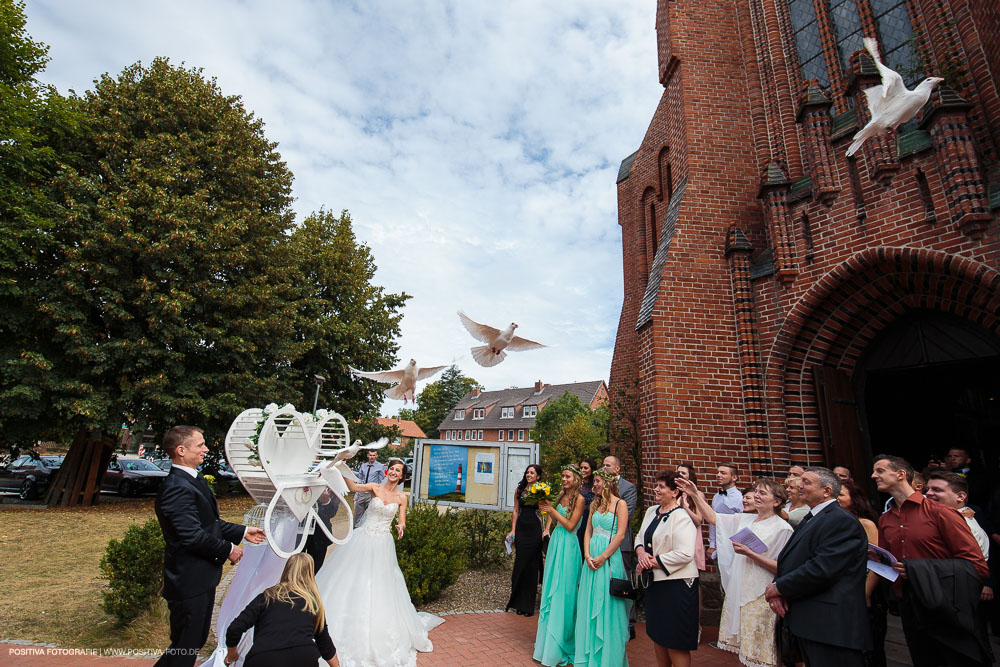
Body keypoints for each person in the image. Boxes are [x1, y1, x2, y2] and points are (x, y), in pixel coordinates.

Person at [155, 426, 266, 667]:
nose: (206, 449)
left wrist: (244, 532)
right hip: (188, 580)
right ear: (181, 450)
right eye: (200, 445)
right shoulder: (176, 487)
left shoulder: (191, 479)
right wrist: (229, 549)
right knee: (184, 647)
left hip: (199, 579)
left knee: (190, 644)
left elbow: (209, 524)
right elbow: (192, 536)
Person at [314, 458, 442, 666]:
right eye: (391, 469)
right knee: (352, 578)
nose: (393, 472)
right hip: (363, 539)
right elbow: (354, 486)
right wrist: (341, 468)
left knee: (380, 583)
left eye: (397, 470)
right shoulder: (374, 487)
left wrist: (401, 527)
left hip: (383, 543)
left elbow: (402, 520)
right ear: (387, 471)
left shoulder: (402, 497)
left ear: (402, 476)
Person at [873, 454, 990, 667]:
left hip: (947, 604)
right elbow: (886, 562)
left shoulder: (941, 513)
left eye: (880, 471)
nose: (873, 476)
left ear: (900, 474)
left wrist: (918, 569)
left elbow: (976, 566)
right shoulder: (886, 519)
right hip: (910, 606)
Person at [679, 476, 793, 667]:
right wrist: (694, 495)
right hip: (740, 590)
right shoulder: (745, 519)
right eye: (756, 492)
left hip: (761, 593)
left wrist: (750, 553)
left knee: (763, 652)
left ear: (777, 501)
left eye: (762, 493)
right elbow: (714, 518)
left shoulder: (782, 529)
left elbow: (783, 567)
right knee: (746, 650)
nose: (755, 496)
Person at [764, 467, 871, 667]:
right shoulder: (813, 517)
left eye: (806, 482)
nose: (798, 485)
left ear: (827, 491)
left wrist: (779, 587)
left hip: (831, 626)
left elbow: (822, 568)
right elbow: (793, 560)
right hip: (810, 620)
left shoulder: (840, 521)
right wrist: (779, 586)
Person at [225, 553, 339, 667]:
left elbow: (235, 628)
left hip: (264, 658)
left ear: (286, 570)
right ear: (310, 574)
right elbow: (325, 643)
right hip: (303, 657)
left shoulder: (267, 597)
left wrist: (232, 655)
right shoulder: (312, 603)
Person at [637, 470, 699, 667]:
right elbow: (640, 537)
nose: (656, 489)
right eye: (656, 485)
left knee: (675, 640)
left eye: (661, 486)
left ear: (675, 493)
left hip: (677, 586)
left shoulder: (681, 517)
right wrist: (640, 554)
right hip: (656, 585)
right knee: (659, 635)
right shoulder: (651, 511)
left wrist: (651, 562)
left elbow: (685, 553)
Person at [575, 466, 630, 667]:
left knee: (606, 604)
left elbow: (621, 534)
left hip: (608, 557)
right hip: (591, 559)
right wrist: (588, 555)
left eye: (598, 481)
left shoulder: (620, 504)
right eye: (595, 481)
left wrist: (603, 557)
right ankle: (589, 655)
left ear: (607, 483)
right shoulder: (594, 505)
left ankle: (608, 658)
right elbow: (587, 530)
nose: (594, 484)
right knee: (589, 602)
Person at [534, 465, 586, 666]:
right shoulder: (559, 496)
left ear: (576, 479)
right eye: (563, 476)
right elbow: (554, 520)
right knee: (551, 589)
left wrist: (552, 510)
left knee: (565, 592)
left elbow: (571, 525)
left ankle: (563, 644)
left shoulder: (580, 499)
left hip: (570, 545)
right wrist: (547, 513)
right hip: (556, 542)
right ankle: (547, 646)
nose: (564, 479)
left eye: (567, 476)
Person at [837, 479, 887, 667]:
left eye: (841, 495)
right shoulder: (834, 521)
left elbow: (877, 562)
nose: (837, 499)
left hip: (864, 589)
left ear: (854, 498)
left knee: (870, 646)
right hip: (844, 590)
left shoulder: (865, 524)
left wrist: (866, 592)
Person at [604, 455, 638, 638]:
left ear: (617, 469)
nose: (605, 468)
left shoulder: (628, 488)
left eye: (608, 465)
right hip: (602, 541)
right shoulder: (600, 487)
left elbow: (628, 514)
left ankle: (629, 623)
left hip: (621, 542)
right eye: (603, 465)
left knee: (623, 580)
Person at [507, 463, 544, 616]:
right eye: (528, 472)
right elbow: (516, 510)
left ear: (538, 476)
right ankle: (516, 601)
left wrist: (546, 529)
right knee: (519, 565)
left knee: (531, 567)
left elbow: (546, 511)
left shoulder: (541, 491)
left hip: (534, 530)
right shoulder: (519, 490)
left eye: (532, 473)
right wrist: (513, 530)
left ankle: (527, 605)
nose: (529, 475)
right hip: (521, 529)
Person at [708, 464, 743, 561]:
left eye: (723, 473)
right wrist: (712, 544)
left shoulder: (740, 498)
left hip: (732, 547)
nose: (718, 475)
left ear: (734, 477)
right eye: (718, 472)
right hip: (718, 547)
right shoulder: (716, 497)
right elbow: (712, 522)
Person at [676, 463, 706, 571]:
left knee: (693, 576)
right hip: (678, 537)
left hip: (692, 537)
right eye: (678, 472)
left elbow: (698, 520)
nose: (680, 475)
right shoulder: (675, 494)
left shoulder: (697, 494)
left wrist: (685, 508)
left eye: (683, 473)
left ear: (690, 476)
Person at [304, 489, 341, 570]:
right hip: (297, 532)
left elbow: (332, 512)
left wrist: (326, 501)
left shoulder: (332, 484)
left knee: (315, 569)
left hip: (320, 534)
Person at [353, 450, 386, 527]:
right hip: (362, 493)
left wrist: (379, 495)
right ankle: (355, 532)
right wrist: (356, 495)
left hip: (372, 494)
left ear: (376, 456)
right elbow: (359, 481)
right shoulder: (363, 466)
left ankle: (366, 531)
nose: (372, 457)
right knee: (357, 515)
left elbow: (381, 482)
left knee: (370, 514)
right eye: (370, 455)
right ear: (367, 455)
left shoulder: (380, 466)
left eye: (374, 455)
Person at [578, 458, 599, 559]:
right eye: (581, 467)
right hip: (577, 517)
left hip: (589, 517)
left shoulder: (595, 485)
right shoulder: (577, 483)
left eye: (585, 468)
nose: (582, 470)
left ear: (592, 470)